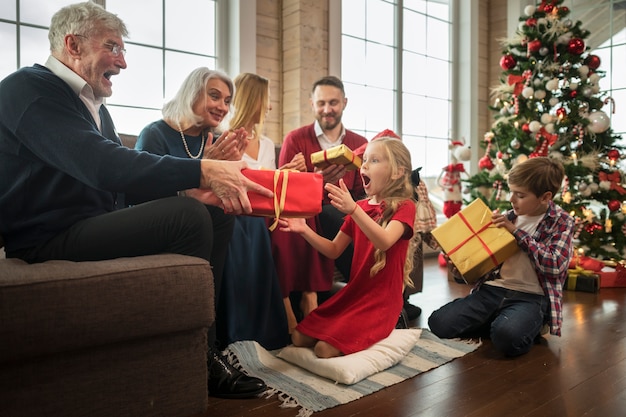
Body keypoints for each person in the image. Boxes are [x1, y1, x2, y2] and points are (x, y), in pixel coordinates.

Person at [0, 2, 271, 399]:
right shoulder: (28, 89)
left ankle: (206, 346)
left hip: (91, 225)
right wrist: (200, 171)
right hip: (46, 239)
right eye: (112, 47)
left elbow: (121, 186)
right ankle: (199, 357)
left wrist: (189, 188)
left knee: (213, 214)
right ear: (73, 45)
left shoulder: (93, 106)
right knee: (188, 218)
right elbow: (101, 164)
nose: (122, 62)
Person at [278, 137, 417, 357]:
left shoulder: (405, 206)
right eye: (365, 160)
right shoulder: (360, 207)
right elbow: (333, 249)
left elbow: (384, 241)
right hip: (354, 295)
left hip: (381, 302)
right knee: (299, 337)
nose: (365, 165)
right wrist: (304, 229)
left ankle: (390, 323)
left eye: (374, 160)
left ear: (397, 172)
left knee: (324, 350)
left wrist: (353, 210)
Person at [428, 157, 575, 357]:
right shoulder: (507, 217)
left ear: (545, 197)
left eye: (520, 195)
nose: (511, 199)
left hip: (530, 298)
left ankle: (522, 323)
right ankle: (501, 320)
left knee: (508, 340)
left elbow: (555, 265)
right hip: (492, 291)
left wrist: (516, 233)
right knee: (438, 323)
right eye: (511, 191)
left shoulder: (562, 222)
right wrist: (460, 270)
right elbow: (485, 264)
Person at [272, 75, 367, 332]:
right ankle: (358, 298)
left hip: (349, 206)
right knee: (334, 217)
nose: (327, 109)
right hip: (314, 209)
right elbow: (285, 191)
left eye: (334, 102)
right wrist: (317, 181)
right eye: (321, 103)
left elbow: (362, 190)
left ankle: (376, 296)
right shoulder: (296, 139)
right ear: (312, 104)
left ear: (344, 103)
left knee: (354, 218)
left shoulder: (359, 144)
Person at [217, 72, 304, 349]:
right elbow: (232, 181)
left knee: (302, 219)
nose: (268, 107)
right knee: (259, 224)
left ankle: (307, 299)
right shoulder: (224, 138)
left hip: (266, 206)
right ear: (253, 100)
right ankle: (276, 315)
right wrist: (275, 174)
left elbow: (271, 187)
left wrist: (284, 174)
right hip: (241, 207)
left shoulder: (266, 143)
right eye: (266, 100)